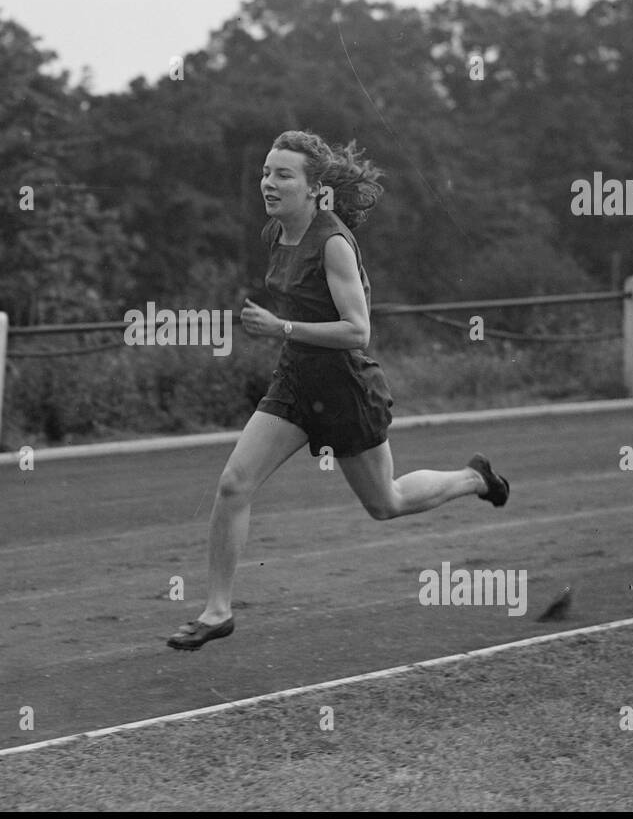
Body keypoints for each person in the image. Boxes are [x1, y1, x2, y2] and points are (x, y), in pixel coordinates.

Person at [167, 130, 509, 651]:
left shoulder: (332, 243)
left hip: (346, 388)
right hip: (296, 384)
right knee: (235, 483)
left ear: (313, 188)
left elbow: (358, 331)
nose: (269, 183)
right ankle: (218, 611)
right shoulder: (274, 233)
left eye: (283, 175)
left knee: (385, 503)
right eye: (266, 172)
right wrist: (286, 336)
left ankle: (473, 478)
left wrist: (280, 327)